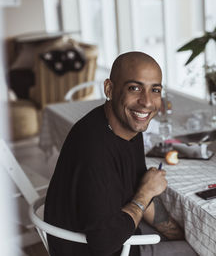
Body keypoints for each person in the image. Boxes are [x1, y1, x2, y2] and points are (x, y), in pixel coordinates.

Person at [44, 52, 197, 256]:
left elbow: (138, 190)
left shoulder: (127, 126)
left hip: (116, 230)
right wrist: (145, 194)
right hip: (92, 249)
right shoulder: (94, 148)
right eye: (134, 88)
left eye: (155, 90)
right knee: (204, 251)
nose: (147, 102)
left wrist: (176, 233)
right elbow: (105, 241)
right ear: (109, 89)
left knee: (193, 238)